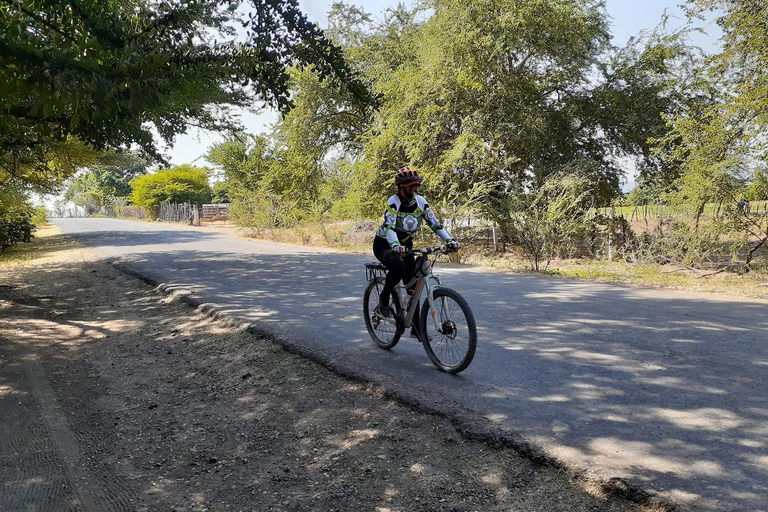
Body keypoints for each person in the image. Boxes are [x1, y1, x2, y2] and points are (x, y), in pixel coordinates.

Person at [373, 166, 460, 336]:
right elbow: (389, 226)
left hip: (406, 246)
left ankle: (415, 326)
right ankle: (384, 299)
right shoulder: (393, 202)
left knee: (414, 283)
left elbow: (435, 223)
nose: (414, 189)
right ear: (401, 187)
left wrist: (450, 240)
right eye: (410, 186)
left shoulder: (421, 202)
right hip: (385, 244)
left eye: (416, 185)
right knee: (399, 268)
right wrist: (396, 245)